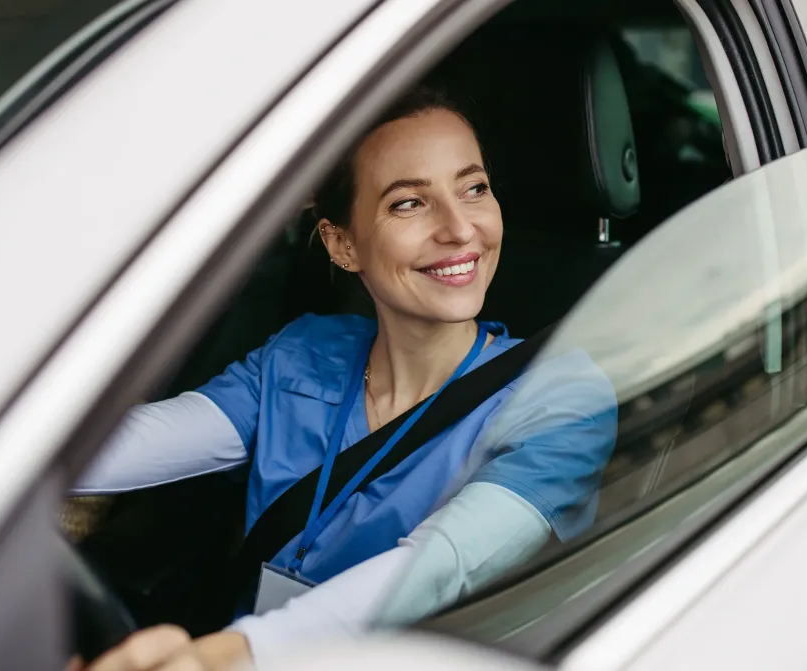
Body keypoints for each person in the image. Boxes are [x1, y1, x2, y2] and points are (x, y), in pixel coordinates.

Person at [69, 87, 618, 670]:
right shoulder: (304, 353)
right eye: (409, 203)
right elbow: (117, 450)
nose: (460, 229)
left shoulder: (562, 397)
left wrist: (232, 654)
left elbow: (436, 568)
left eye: (474, 188)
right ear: (342, 244)